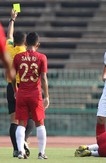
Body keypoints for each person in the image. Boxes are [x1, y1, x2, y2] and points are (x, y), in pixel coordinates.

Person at [12, 32, 49, 159]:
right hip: (35, 94)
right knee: (40, 123)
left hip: (22, 93)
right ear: (37, 44)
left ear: (26, 43)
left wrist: (15, 89)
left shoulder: (18, 57)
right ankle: (41, 153)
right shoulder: (41, 57)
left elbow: (12, 76)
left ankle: (21, 152)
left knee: (21, 123)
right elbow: (43, 78)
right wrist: (47, 96)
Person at [6, 9, 35, 157]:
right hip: (23, 87)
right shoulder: (24, 51)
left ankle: (16, 149)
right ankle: (23, 140)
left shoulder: (8, 48)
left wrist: (12, 19)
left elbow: (9, 35)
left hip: (10, 87)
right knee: (30, 117)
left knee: (14, 119)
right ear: (24, 41)